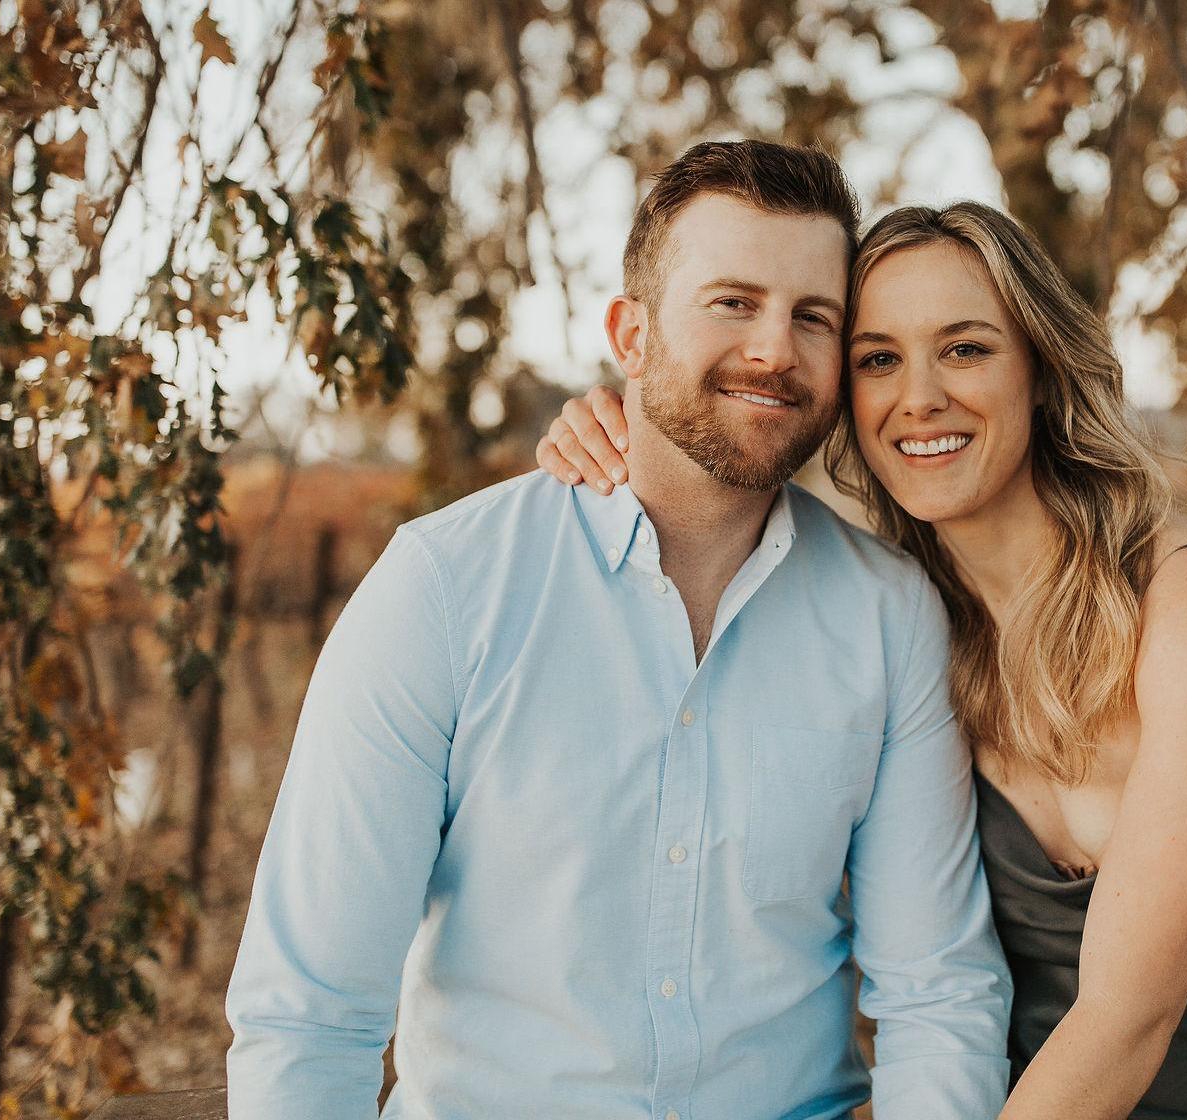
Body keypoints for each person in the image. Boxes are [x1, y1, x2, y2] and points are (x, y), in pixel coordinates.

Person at [540, 200, 1187, 1119]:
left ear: (1039, 369)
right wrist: (623, 425)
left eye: (964, 349)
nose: (919, 397)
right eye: (879, 359)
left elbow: (1126, 1019)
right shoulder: (899, 627)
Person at [225, 142, 1013, 1120]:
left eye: (814, 317)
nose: (774, 349)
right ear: (630, 336)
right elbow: (308, 1014)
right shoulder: (446, 587)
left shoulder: (888, 615)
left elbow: (937, 996)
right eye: (732, 302)